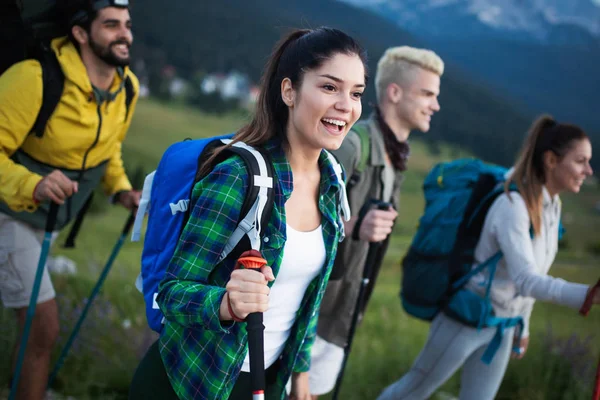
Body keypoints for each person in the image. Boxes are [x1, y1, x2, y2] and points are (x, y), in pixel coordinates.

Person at [128, 27, 368, 400]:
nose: (345, 105)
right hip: (194, 381)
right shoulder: (239, 176)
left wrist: (299, 379)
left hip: (267, 382)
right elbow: (171, 293)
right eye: (329, 87)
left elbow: (309, 297)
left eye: (355, 93)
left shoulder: (333, 180)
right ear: (289, 91)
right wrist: (225, 304)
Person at [376, 115, 600, 400]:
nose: (589, 170)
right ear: (551, 160)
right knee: (412, 390)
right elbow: (527, 280)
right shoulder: (513, 205)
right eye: (580, 161)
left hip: (502, 327)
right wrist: (589, 295)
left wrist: (523, 323)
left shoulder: (552, 206)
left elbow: (533, 271)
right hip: (466, 318)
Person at [0, 0, 140, 398]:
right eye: (111, 24)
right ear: (80, 33)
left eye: (127, 24)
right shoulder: (34, 78)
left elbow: (107, 149)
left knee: (35, 330)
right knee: (41, 327)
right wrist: (32, 184)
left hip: (48, 219)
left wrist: (120, 189)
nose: (124, 34)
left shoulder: (126, 87)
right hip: (9, 212)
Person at [308, 46, 444, 398]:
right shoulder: (353, 145)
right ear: (394, 93)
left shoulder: (395, 156)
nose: (436, 105)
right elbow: (298, 215)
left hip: (342, 313)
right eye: (427, 94)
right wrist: (355, 228)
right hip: (314, 313)